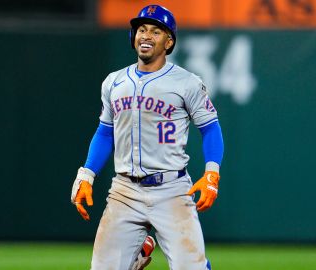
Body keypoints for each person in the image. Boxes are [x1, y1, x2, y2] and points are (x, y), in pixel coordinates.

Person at [70, 4, 224, 270]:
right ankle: (137, 251)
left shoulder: (186, 83)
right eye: (141, 29)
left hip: (172, 190)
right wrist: (87, 173)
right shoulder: (114, 82)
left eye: (155, 31)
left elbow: (210, 128)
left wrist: (212, 173)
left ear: (169, 41)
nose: (146, 36)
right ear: (133, 37)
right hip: (124, 191)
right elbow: (105, 132)